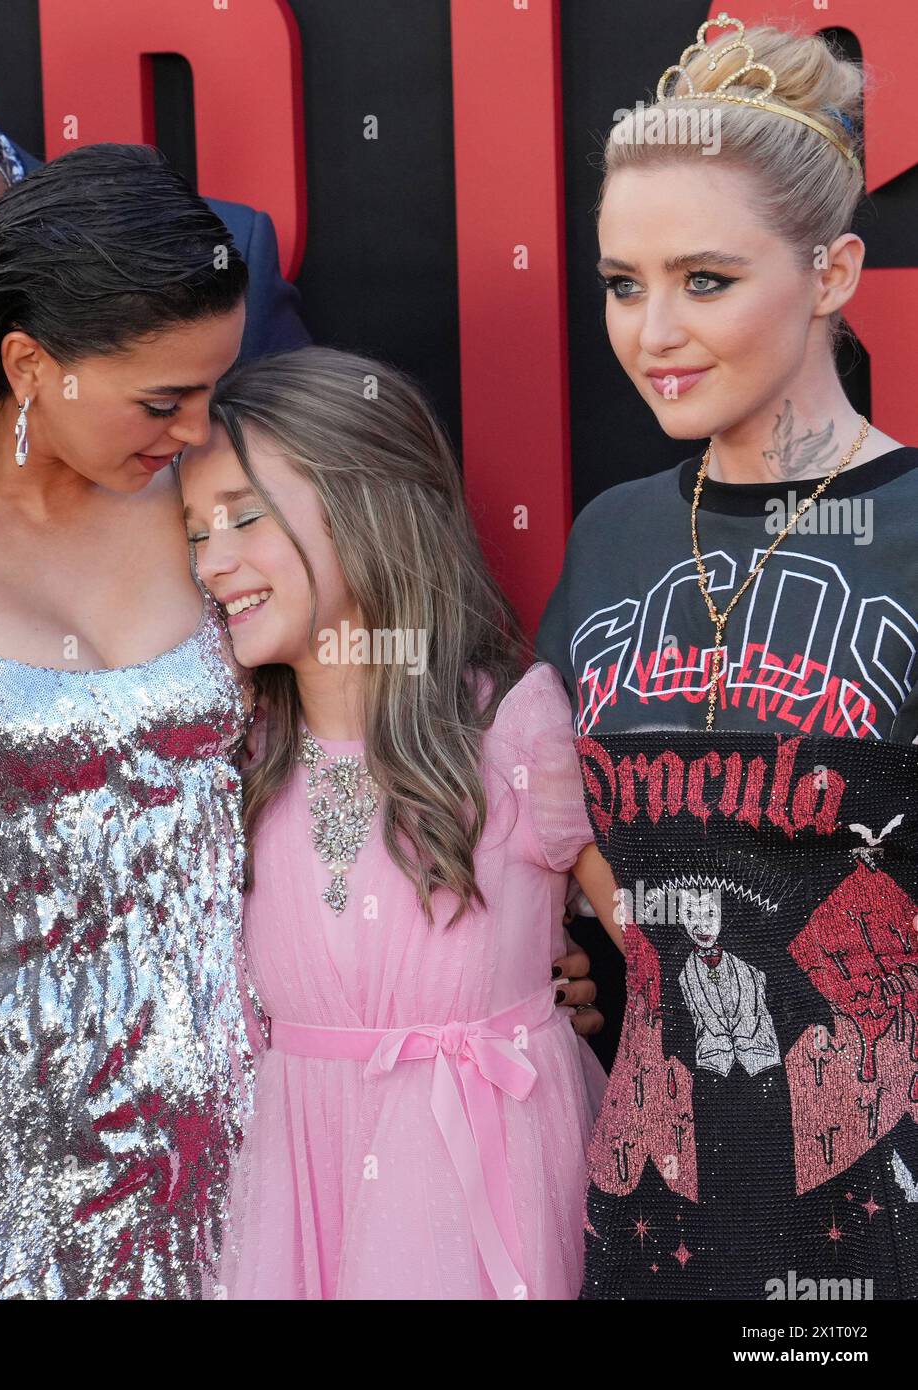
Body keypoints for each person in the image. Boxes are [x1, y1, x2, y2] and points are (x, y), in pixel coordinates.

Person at [0, 0, 308, 1300]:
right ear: (32, 368)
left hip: (260, 1128)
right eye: (166, 402)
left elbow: (359, 694)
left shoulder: (211, 415)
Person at [537, 16, 918, 1299]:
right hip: (657, 1219)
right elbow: (549, 814)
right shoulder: (612, 536)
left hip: (887, 1219)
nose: (652, 331)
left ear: (829, 272)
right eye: (620, 282)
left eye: (703, 280)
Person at [176, 346, 619, 1299]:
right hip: (295, 1195)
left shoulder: (515, 727)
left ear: (370, 504)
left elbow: (667, 954)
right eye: (193, 533)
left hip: (485, 1187)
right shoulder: (228, 751)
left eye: (244, 517)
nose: (212, 561)